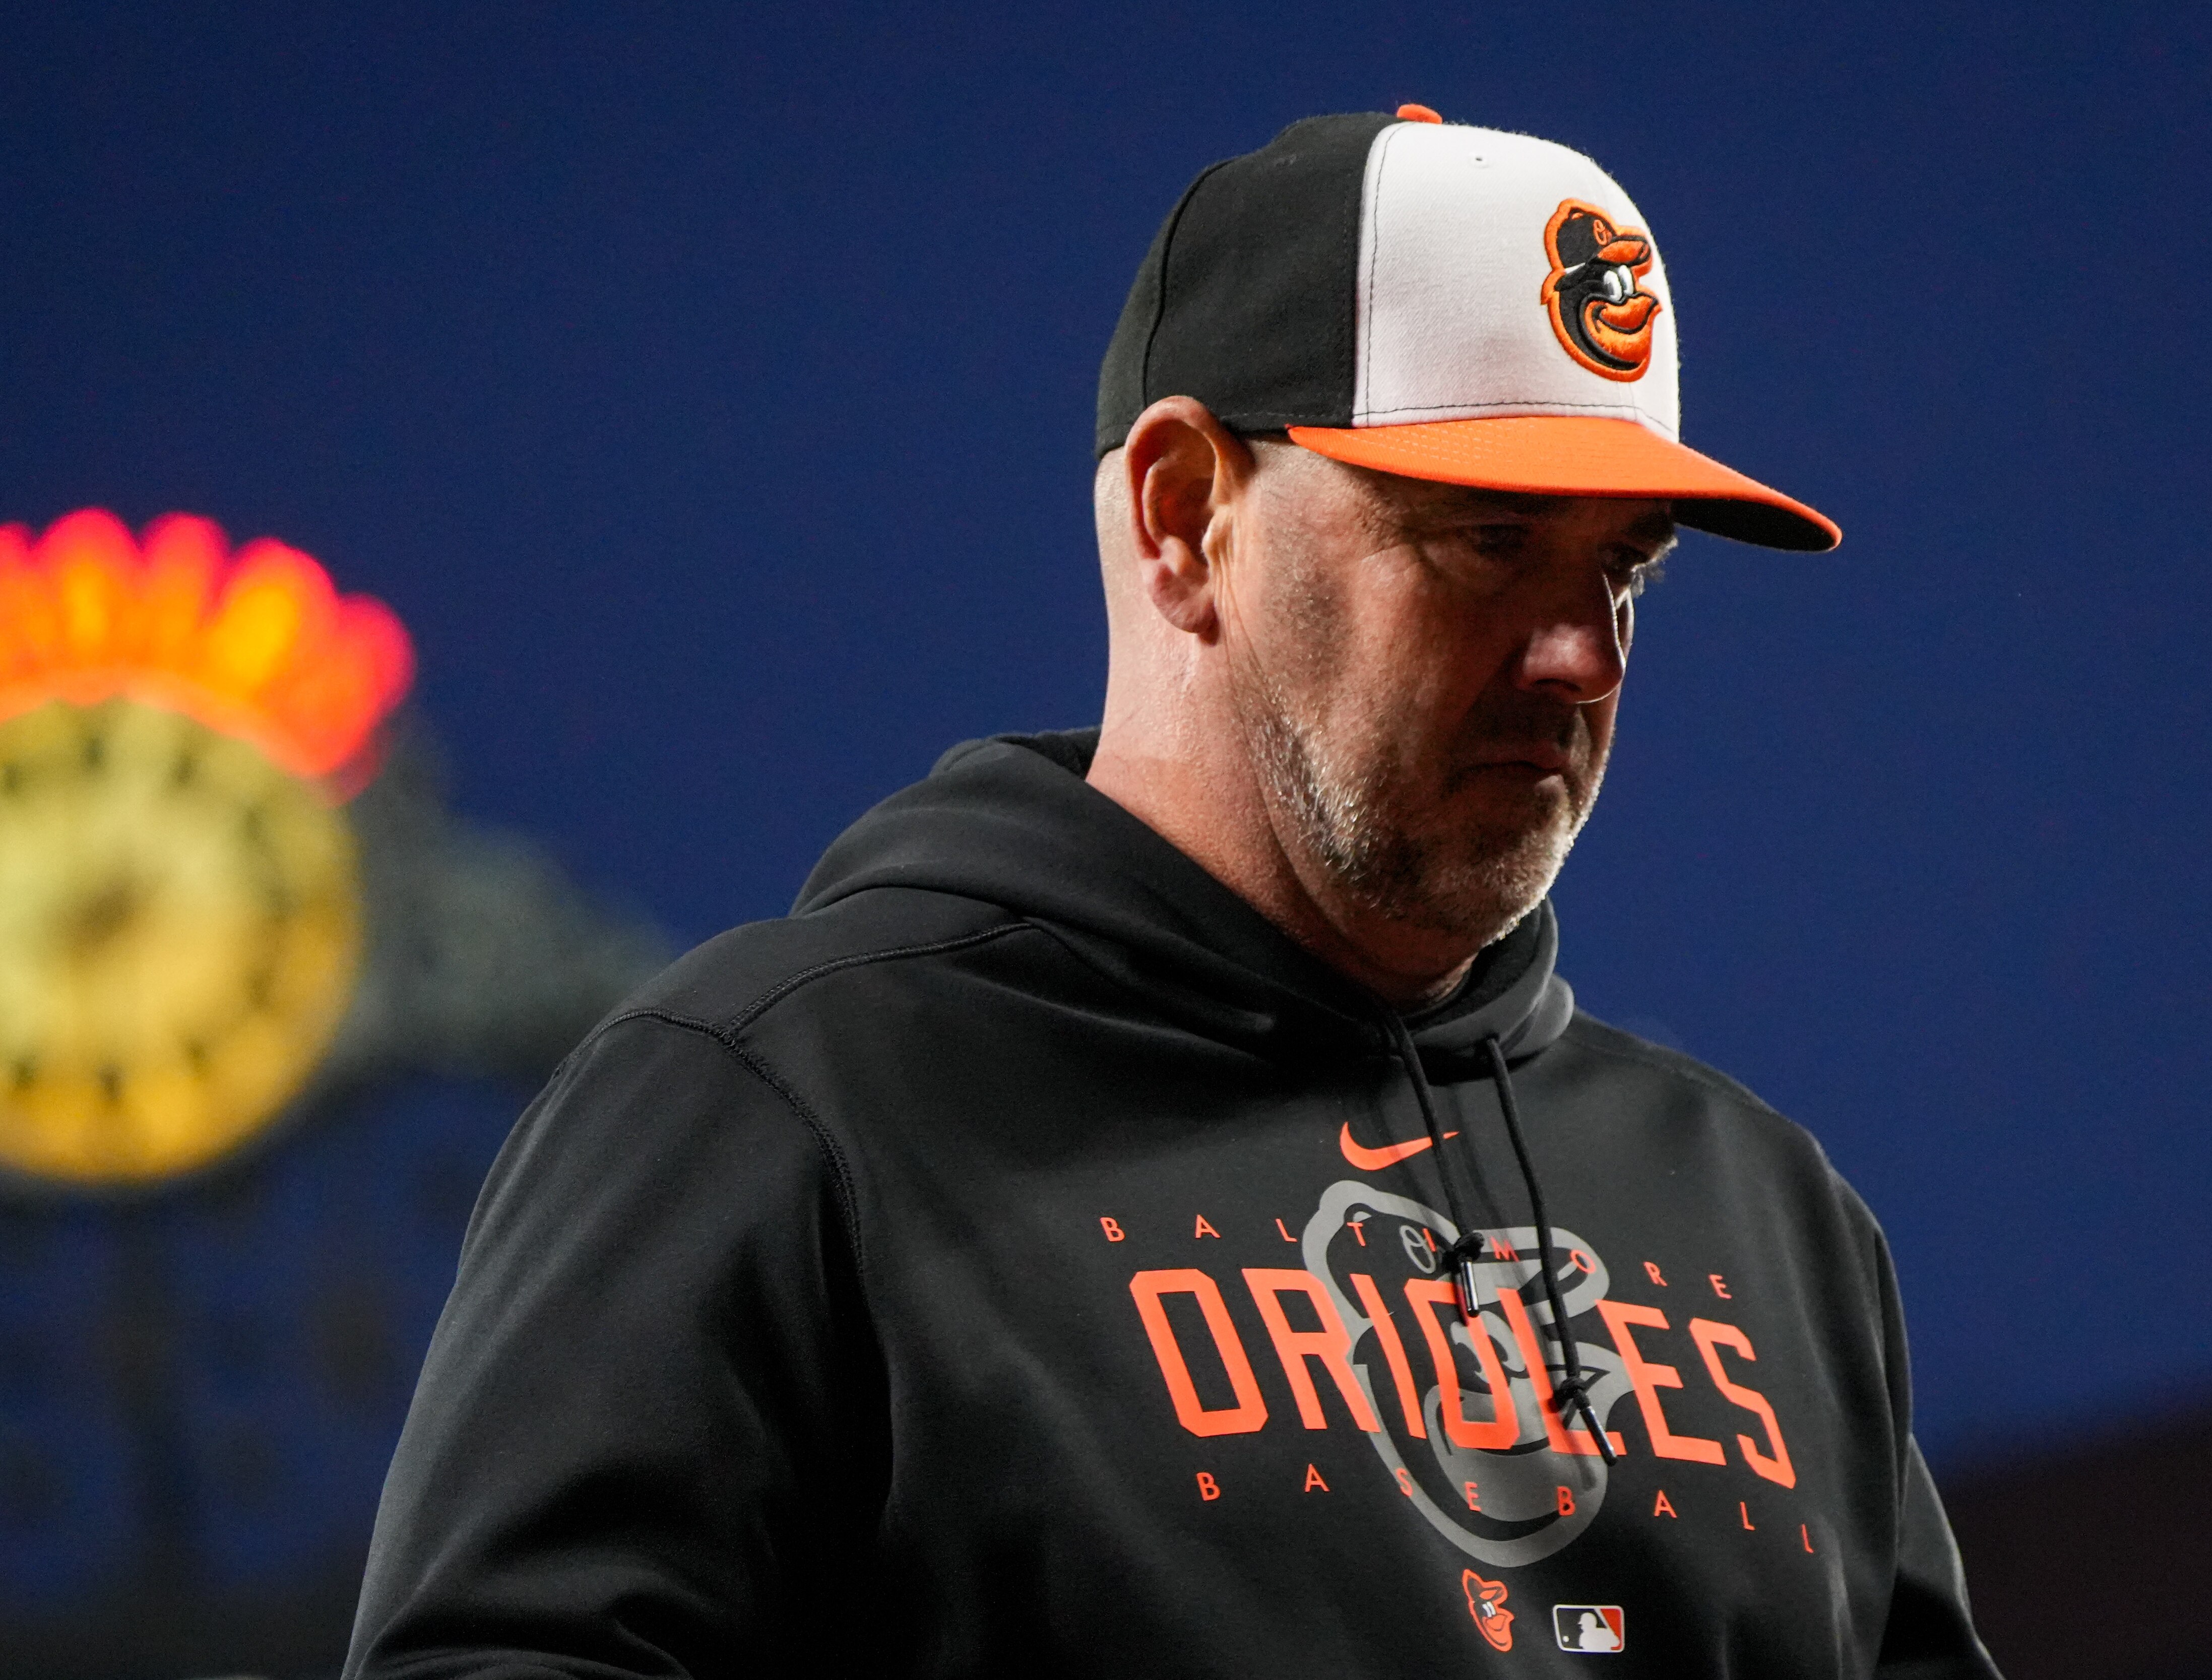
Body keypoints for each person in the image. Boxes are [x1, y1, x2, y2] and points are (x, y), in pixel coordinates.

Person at [345, 107, 2002, 1677]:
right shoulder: (782, 1113)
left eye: (1623, 569)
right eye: (1488, 542)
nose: (1578, 656)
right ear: (1183, 514)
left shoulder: (1762, 1217)